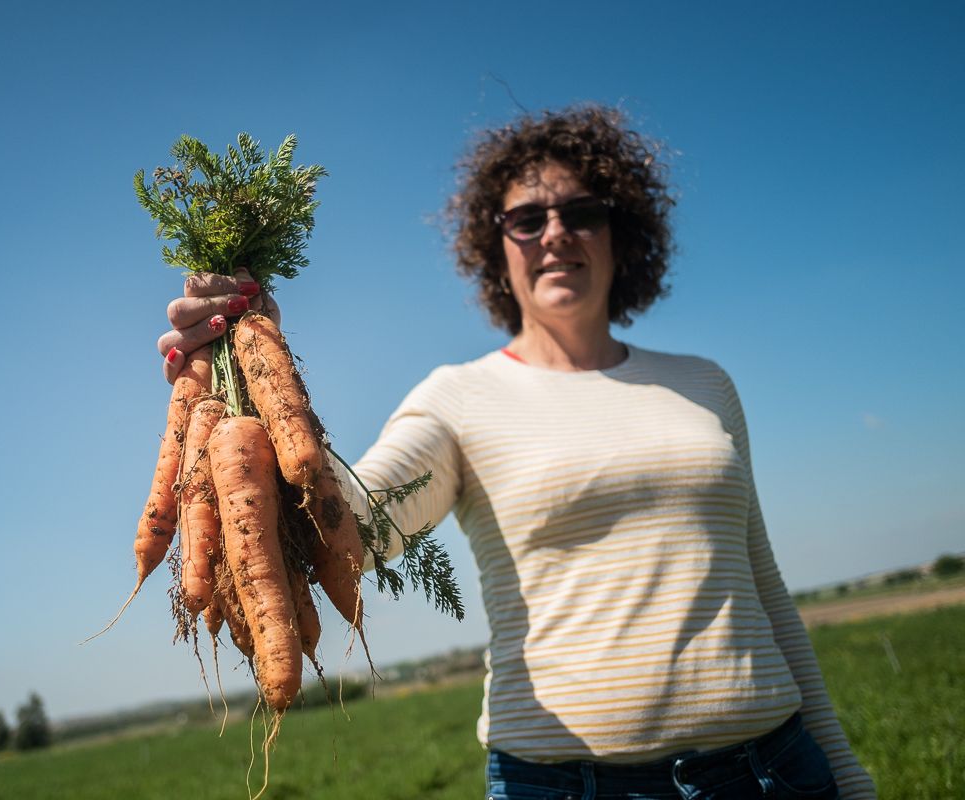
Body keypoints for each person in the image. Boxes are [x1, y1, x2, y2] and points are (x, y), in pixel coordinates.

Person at [156, 106, 876, 800]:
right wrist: (254, 359)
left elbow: (765, 587)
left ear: (620, 233)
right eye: (528, 219)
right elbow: (356, 529)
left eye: (583, 213)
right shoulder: (458, 397)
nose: (556, 233)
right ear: (495, 246)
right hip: (565, 788)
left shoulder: (704, 384)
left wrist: (845, 772)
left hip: (771, 774)